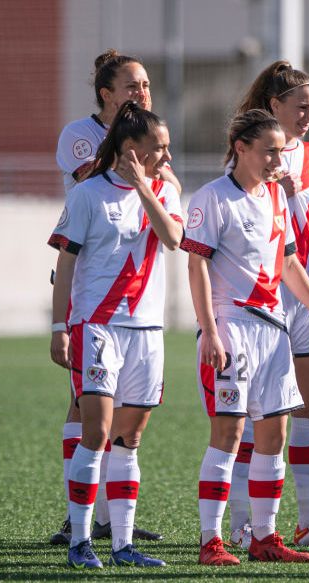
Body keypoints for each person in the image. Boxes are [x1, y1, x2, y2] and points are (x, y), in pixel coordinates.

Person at [184, 109, 309, 566]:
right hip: (232, 328)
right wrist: (211, 330)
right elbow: (196, 267)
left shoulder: (275, 197)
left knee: (274, 435)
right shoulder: (212, 198)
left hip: (275, 332)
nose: (278, 159)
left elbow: (288, 262)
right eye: (269, 151)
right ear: (241, 148)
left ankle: (265, 538)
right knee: (228, 435)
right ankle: (211, 541)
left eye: (280, 151)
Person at [48, 101, 182, 569]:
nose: (167, 156)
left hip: (146, 330)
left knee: (130, 438)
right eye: (157, 148)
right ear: (130, 149)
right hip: (97, 325)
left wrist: (146, 186)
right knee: (97, 431)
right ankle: (80, 541)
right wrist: (59, 326)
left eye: (167, 147)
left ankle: (123, 545)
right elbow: (65, 265)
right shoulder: (87, 195)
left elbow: (173, 238)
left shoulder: (165, 190)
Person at [223, 60, 309, 550]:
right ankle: (241, 522)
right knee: (257, 414)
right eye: (301, 107)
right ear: (275, 105)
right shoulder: (255, 153)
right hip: (266, 300)